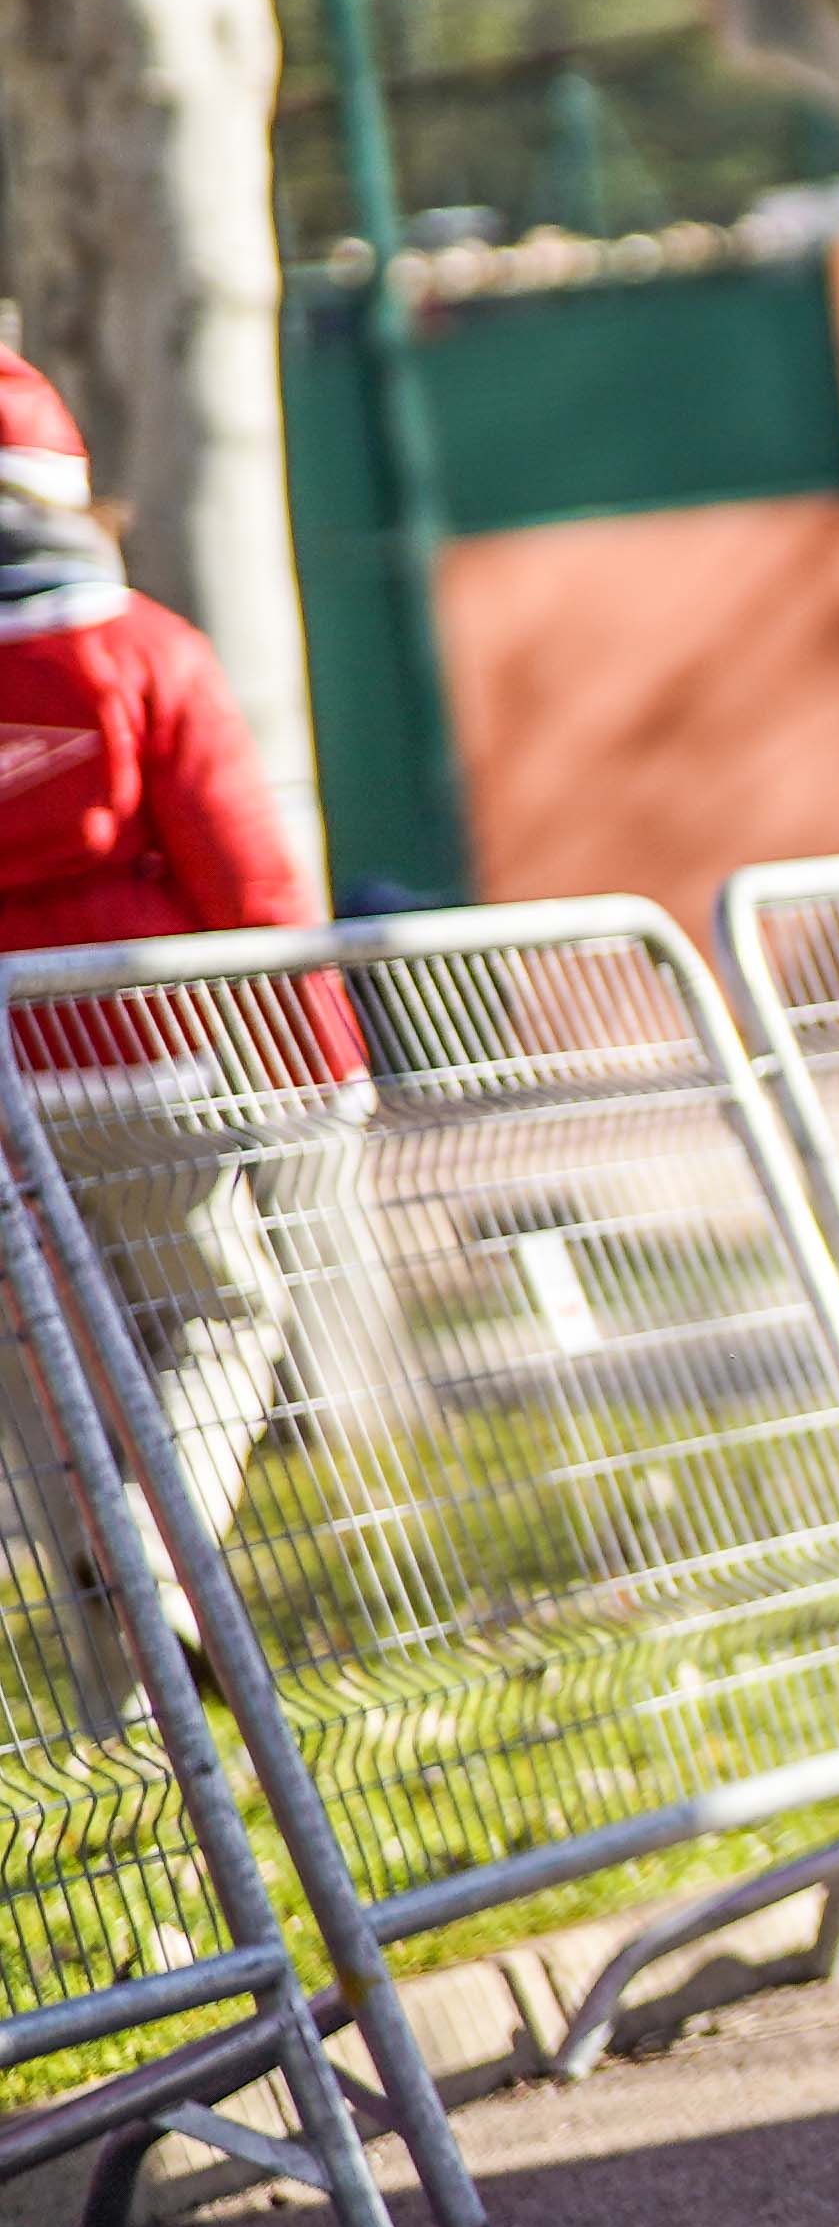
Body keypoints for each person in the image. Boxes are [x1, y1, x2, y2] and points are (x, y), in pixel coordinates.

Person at [0, 349, 351, 1679]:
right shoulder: (145, 650)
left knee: (56, 1373)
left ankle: (120, 1708)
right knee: (219, 1311)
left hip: (2, 1099)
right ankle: (162, 1544)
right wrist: (321, 1060)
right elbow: (248, 878)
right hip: (145, 1065)